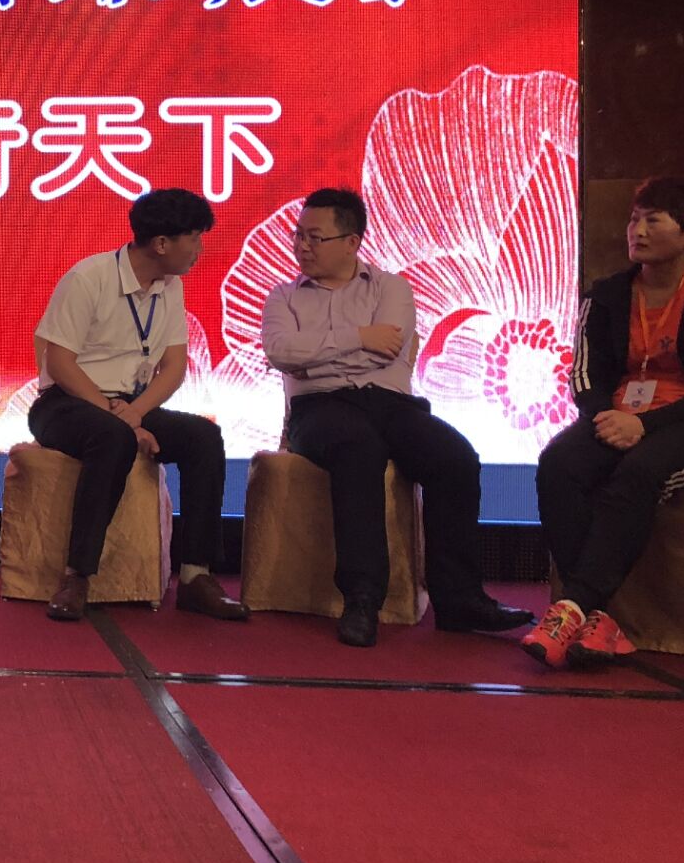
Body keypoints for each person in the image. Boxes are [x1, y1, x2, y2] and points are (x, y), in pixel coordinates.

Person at [260, 187, 532, 647]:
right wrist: (359, 337)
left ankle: (459, 600)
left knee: (455, 457)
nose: (301, 246)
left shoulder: (391, 288)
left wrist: (318, 354)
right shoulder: (283, 297)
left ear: (352, 242)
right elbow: (281, 352)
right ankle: (363, 598)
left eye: (314, 237)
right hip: (319, 408)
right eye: (298, 235)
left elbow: (387, 350)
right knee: (357, 449)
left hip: (390, 403)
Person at [30, 187, 246, 623]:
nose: (200, 250)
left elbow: (174, 366)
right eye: (194, 239)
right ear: (161, 243)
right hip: (67, 401)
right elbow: (60, 362)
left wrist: (137, 412)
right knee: (112, 437)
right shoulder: (89, 277)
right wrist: (123, 419)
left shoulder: (171, 287)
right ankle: (77, 576)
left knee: (204, 437)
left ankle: (196, 575)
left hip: (130, 405)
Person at [525, 176, 684, 668]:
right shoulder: (606, 294)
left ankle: (572, 606)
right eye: (633, 220)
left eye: (653, 221)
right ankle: (596, 618)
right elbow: (583, 374)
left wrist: (646, 426)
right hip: (617, 414)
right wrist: (607, 417)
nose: (637, 231)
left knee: (638, 473)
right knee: (559, 464)